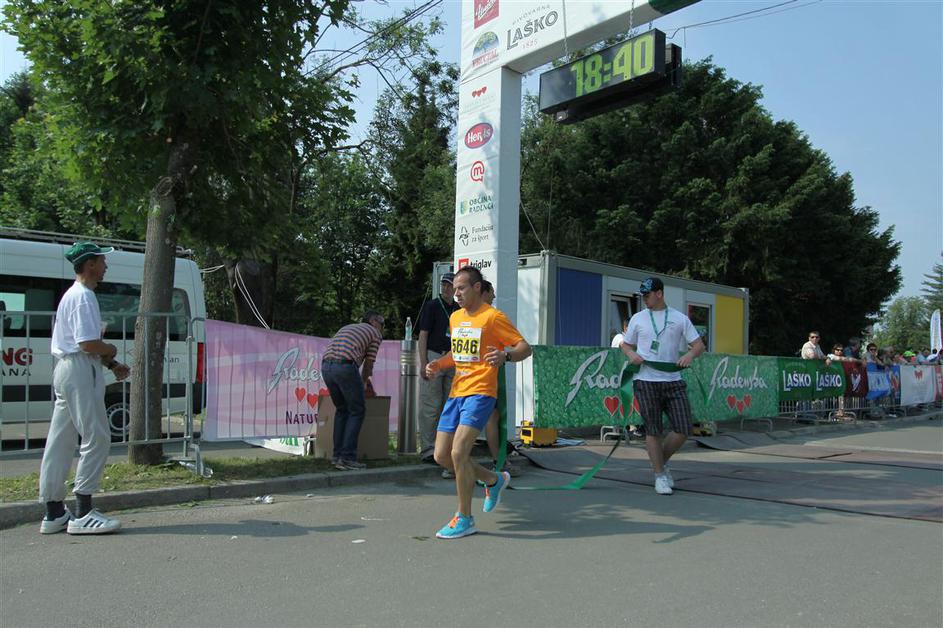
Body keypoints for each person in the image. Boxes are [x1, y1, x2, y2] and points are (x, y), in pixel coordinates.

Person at [425, 266, 532, 539]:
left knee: (459, 452)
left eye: (460, 288)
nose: (455, 293)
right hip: (457, 392)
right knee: (441, 456)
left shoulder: (493, 317)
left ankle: (464, 517)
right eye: (453, 289)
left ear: (476, 288)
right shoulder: (456, 317)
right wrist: (439, 363)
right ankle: (492, 479)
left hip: (482, 391)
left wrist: (505, 357)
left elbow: (524, 347)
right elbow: (456, 353)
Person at [38, 242, 130, 535]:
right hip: (79, 370)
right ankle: (83, 511)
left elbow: (83, 345)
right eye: (103, 261)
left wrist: (111, 364)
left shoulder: (73, 296)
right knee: (98, 436)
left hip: (68, 368)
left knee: (61, 440)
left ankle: (54, 511)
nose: (106, 266)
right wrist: (111, 348)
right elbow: (88, 344)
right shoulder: (84, 297)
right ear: (90, 264)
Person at [620, 277, 705, 495]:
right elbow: (625, 344)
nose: (645, 299)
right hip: (646, 380)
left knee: (684, 427)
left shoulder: (679, 318)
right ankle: (659, 475)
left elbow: (698, 345)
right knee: (653, 430)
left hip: (673, 380)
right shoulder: (638, 318)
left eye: (647, 295)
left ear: (659, 293)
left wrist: (689, 355)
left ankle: (659, 461)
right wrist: (632, 355)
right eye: (643, 296)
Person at [321, 311, 384, 470]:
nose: (383, 327)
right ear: (373, 321)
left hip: (326, 366)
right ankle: (348, 457)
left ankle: (337, 456)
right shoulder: (375, 334)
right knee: (357, 410)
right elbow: (369, 363)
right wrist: (363, 383)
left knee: (342, 410)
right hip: (345, 366)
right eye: (382, 322)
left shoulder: (347, 327)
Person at [417, 272, 459, 465]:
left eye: (449, 285)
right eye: (443, 284)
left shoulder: (459, 308)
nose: (446, 288)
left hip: (453, 358)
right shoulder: (433, 305)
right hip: (434, 356)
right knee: (430, 405)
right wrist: (424, 361)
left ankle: (444, 449)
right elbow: (423, 335)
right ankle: (427, 449)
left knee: (448, 405)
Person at [479, 280, 517, 477]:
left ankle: (498, 462)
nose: (494, 296)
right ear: (483, 292)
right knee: (492, 418)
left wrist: (505, 355)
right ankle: (498, 463)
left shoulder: (488, 317)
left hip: (483, 379)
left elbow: (519, 347)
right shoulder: (489, 317)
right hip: (482, 381)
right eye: (492, 292)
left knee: (492, 418)